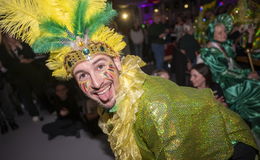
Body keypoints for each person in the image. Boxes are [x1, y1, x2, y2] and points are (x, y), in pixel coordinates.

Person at [0, 0, 258, 159]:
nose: (97, 83)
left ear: (119, 62)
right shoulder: (117, 98)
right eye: (82, 75)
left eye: (101, 66)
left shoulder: (154, 108)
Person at [200, 14, 260, 137]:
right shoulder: (210, 52)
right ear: (212, 35)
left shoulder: (220, 45)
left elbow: (234, 55)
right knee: (255, 86)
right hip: (226, 85)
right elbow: (224, 72)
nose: (224, 34)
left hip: (232, 79)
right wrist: (247, 75)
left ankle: (253, 128)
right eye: (219, 33)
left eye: (224, 31)